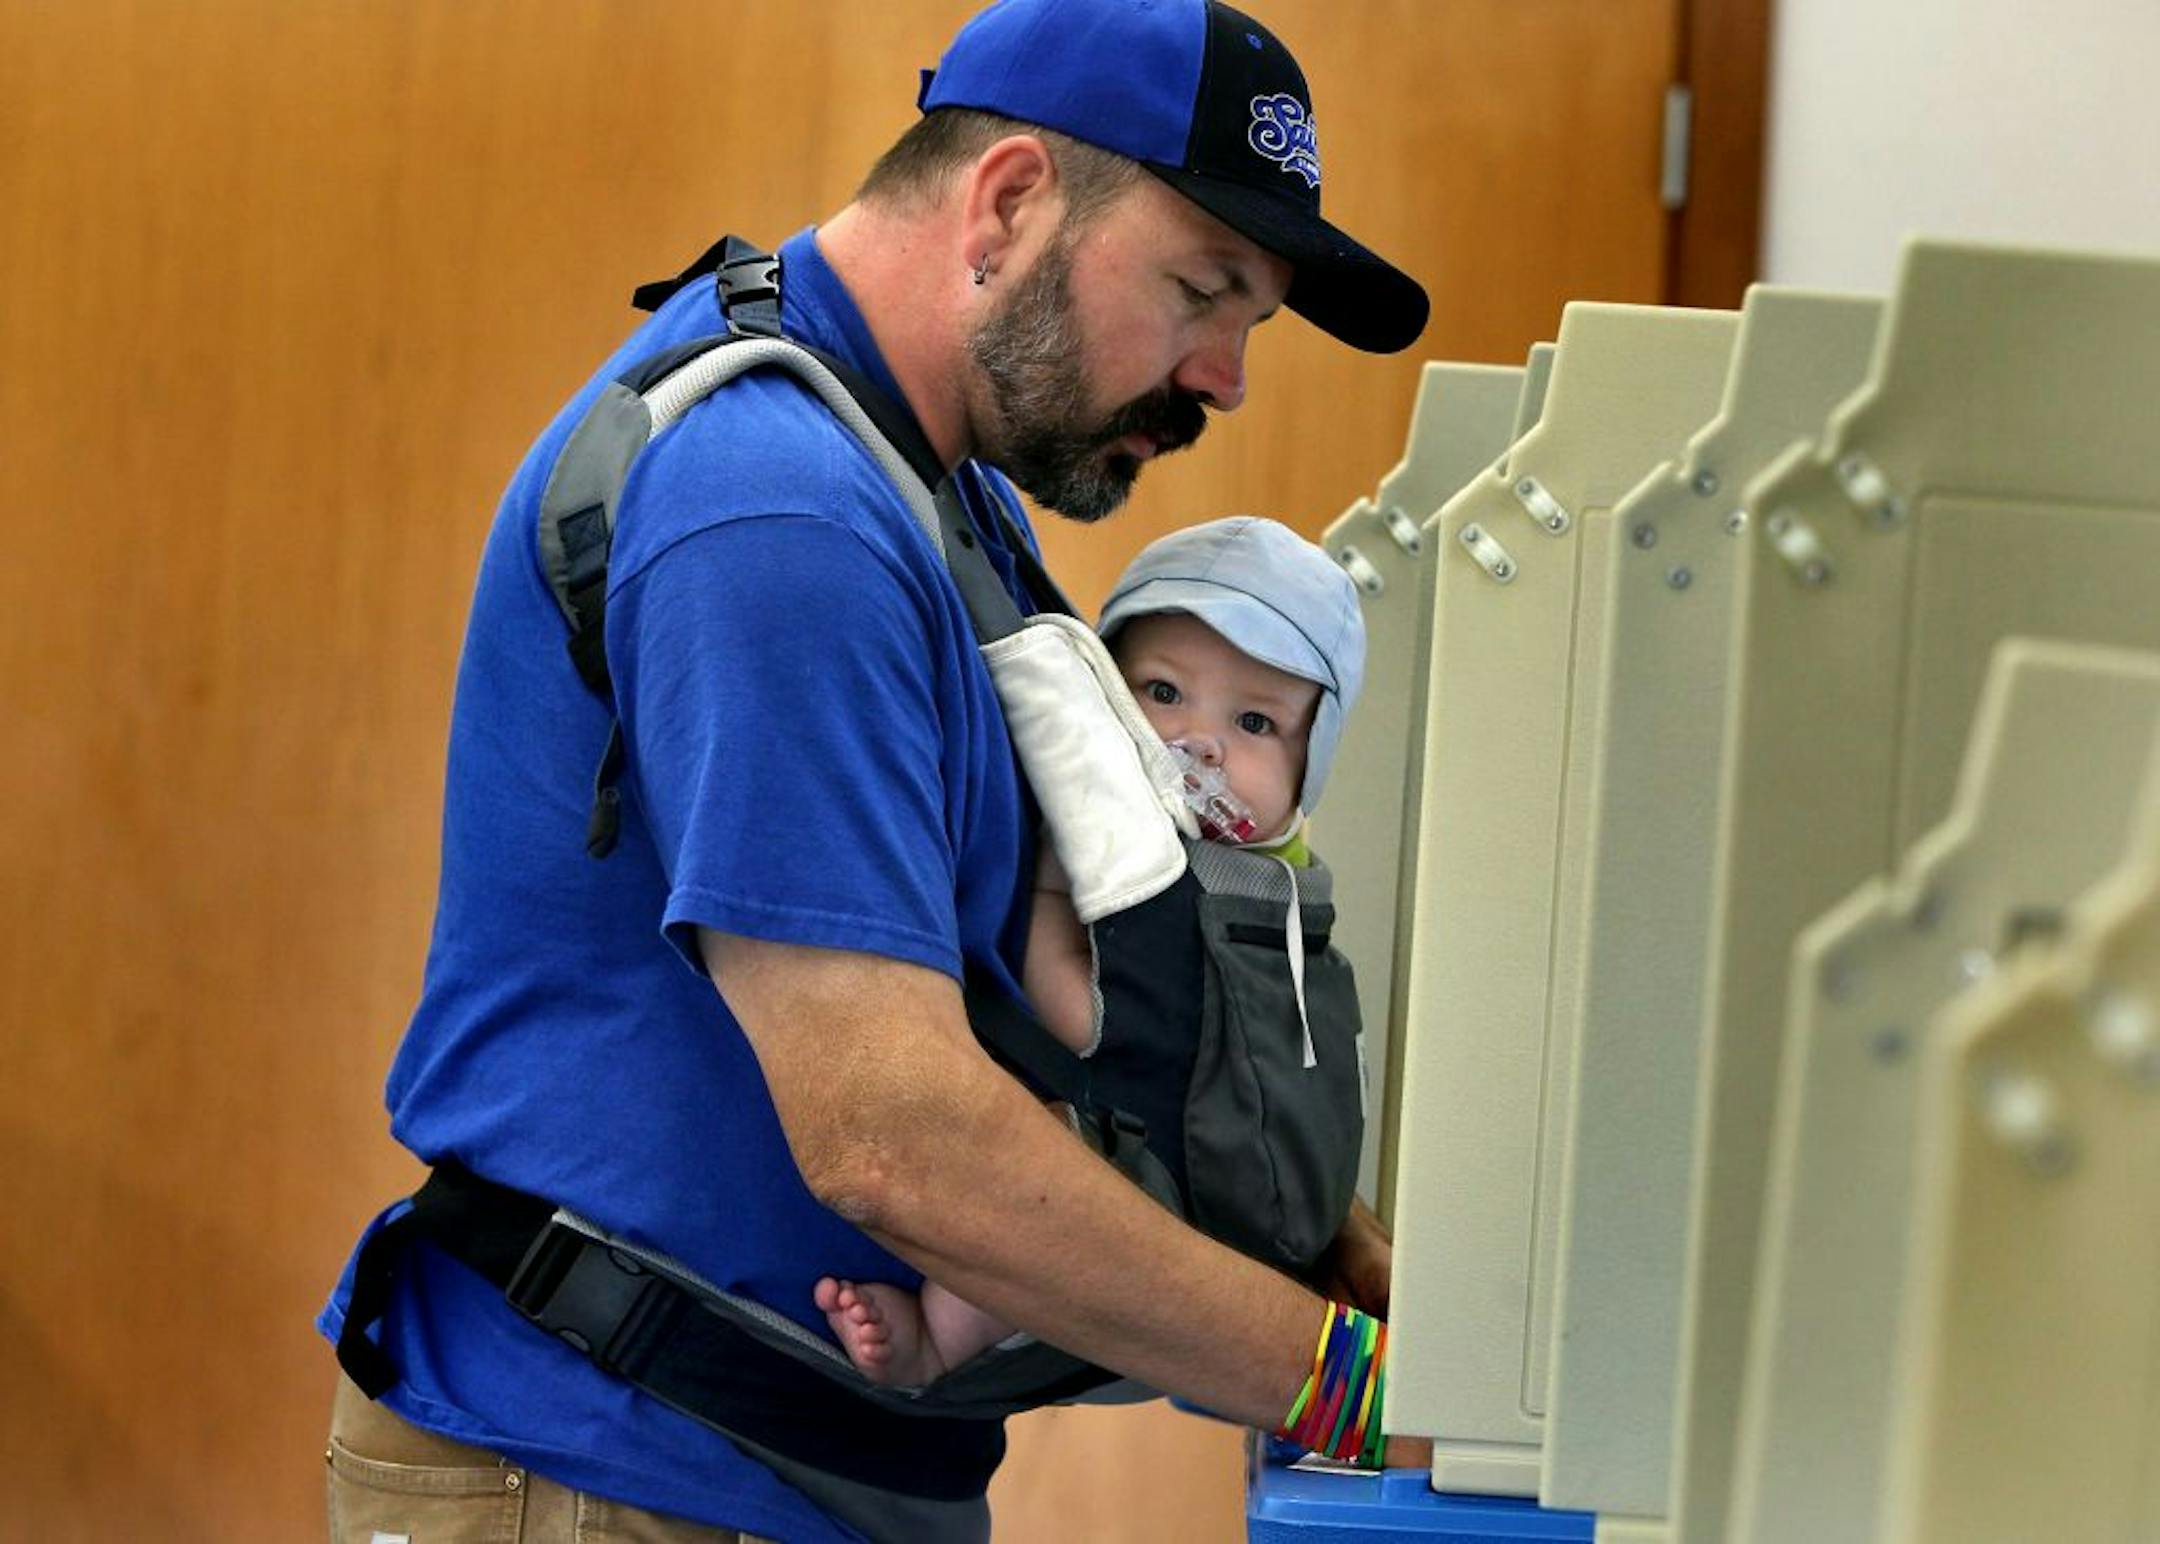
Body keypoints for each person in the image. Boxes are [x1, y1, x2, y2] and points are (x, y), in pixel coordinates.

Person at [319, 0, 1428, 1539]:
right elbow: (896, 1138)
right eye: (1201, 289)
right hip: (614, 1470)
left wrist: (1360, 1271)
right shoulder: (782, 512)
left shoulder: (940, 489)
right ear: (1011, 201)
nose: (1229, 375)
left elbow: (1087, 1005)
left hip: (785, 1476)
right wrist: (1347, 1387)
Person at [818, 515, 1369, 1387]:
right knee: (1033, 1172)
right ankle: (935, 1337)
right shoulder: (1107, 836)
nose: (1199, 741)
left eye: (1255, 720)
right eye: (1162, 692)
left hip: (1254, 1200)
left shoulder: (1281, 875)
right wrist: (1092, 1018)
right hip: (1139, 1176)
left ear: (1312, 768)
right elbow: (1068, 993)